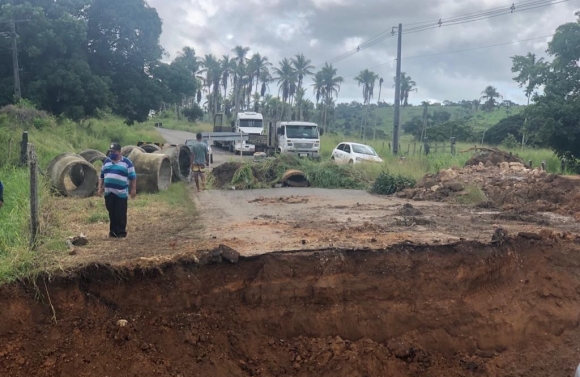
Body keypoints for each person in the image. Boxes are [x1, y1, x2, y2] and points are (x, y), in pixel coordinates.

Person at [97, 143, 137, 238]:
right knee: (111, 212)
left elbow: (133, 177)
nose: (112, 153)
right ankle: (113, 231)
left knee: (120, 213)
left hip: (121, 193)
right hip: (109, 192)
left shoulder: (127, 163)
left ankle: (121, 232)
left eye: (114, 152)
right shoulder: (106, 162)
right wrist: (100, 187)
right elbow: (102, 176)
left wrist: (133, 189)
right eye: (111, 152)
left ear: (119, 152)